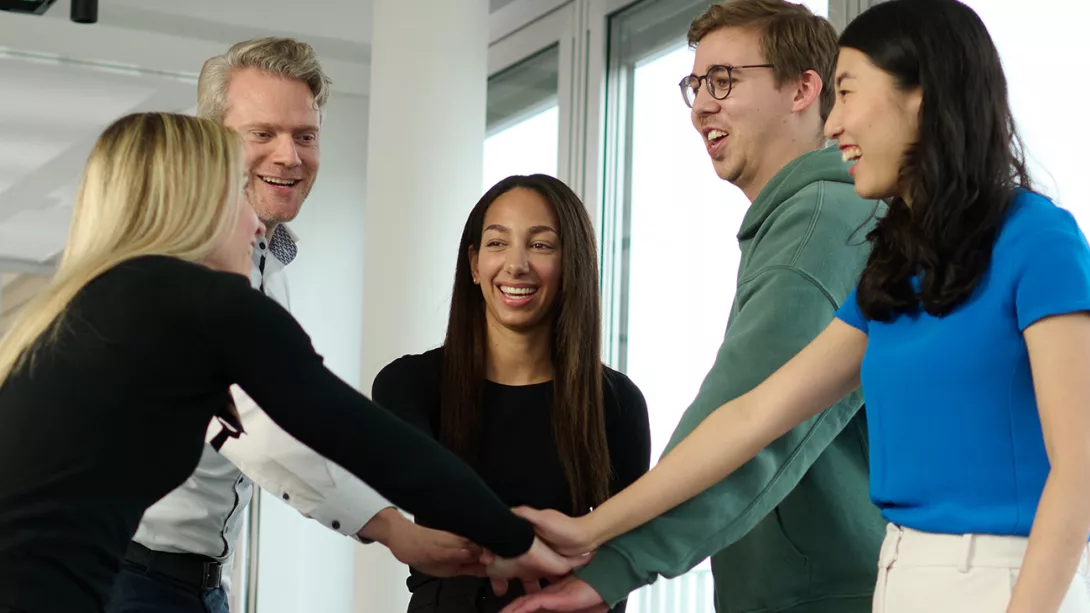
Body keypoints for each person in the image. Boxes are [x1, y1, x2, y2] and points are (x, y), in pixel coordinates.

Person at [504, 1, 1090, 612]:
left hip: (1007, 581)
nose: (834, 125)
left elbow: (1078, 474)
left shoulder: (1037, 239)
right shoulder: (897, 268)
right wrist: (592, 532)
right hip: (901, 577)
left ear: (920, 95)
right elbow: (752, 416)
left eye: (848, 92)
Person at [0, 112, 581, 613]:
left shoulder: (70, 310)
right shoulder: (207, 306)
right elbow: (366, 440)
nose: (257, 224)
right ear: (196, 204)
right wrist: (510, 534)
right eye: (236, 194)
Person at [499, 1, 885, 612]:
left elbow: (749, 421)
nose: (702, 104)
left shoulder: (817, 226)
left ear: (804, 90)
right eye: (696, 84)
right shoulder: (805, 221)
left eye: (724, 80)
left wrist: (615, 564)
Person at [107, 38, 473, 613]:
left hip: (189, 581)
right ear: (211, 140)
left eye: (305, 136)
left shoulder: (265, 257)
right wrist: (397, 530)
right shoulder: (180, 260)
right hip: (130, 576)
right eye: (262, 134)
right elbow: (254, 426)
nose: (289, 156)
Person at [372, 174, 652, 613]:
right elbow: (427, 491)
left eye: (540, 245)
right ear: (473, 263)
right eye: (498, 243)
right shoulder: (408, 386)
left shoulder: (615, 402)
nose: (516, 265)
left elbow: (628, 551)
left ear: (571, 264)